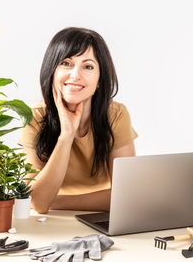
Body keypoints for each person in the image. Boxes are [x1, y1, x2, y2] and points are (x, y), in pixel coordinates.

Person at [19, 27, 138, 214]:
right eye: (66, 63)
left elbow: (128, 196)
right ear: (52, 71)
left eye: (88, 66)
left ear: (100, 80)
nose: (75, 75)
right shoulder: (34, 117)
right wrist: (66, 136)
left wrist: (56, 201)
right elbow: (39, 203)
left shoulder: (116, 115)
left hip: (102, 218)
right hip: (50, 222)